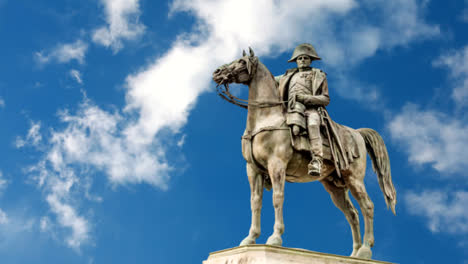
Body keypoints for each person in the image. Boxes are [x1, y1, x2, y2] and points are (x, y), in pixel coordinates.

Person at [276, 43, 330, 176]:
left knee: (312, 124)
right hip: (289, 109)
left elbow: (325, 99)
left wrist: (304, 98)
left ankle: (317, 159)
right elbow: (266, 78)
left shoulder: (318, 75)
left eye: (305, 58)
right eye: (299, 58)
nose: (302, 60)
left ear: (311, 60)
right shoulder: (287, 76)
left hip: (310, 110)